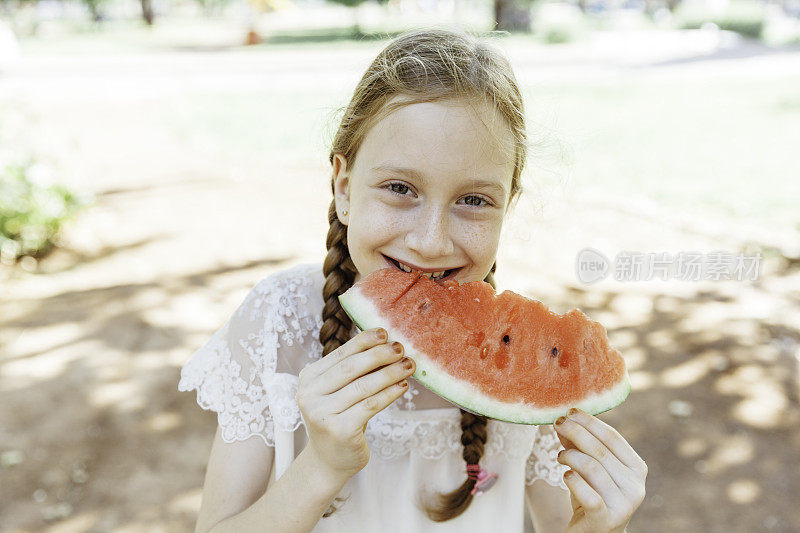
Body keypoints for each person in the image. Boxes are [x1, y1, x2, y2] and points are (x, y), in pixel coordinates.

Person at [178, 27, 647, 533]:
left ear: (506, 207)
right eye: (400, 188)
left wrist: (601, 528)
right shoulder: (276, 322)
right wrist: (322, 466)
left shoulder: (528, 355)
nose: (430, 241)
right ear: (343, 187)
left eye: (473, 200)